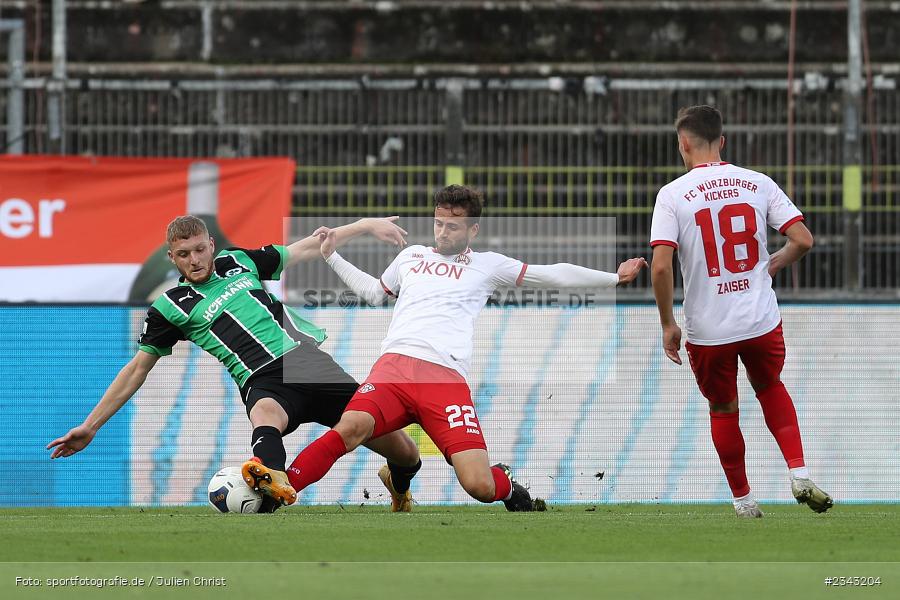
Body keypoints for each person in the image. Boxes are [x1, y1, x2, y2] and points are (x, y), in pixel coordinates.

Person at [243, 184, 647, 511]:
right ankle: (281, 487)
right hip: (394, 370)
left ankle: (506, 487)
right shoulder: (410, 256)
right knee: (349, 429)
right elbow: (373, 293)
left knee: (478, 485)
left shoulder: (489, 265)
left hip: (444, 381)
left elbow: (551, 274)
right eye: (438, 223)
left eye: (453, 226)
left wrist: (612, 278)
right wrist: (332, 257)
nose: (443, 232)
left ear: (472, 229)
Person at [47, 215, 422, 513]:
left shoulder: (237, 261)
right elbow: (137, 369)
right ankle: (269, 488)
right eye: (183, 254)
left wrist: (364, 226)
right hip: (260, 378)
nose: (194, 260)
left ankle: (398, 486)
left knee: (407, 454)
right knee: (266, 417)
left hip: (307, 361)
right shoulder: (169, 306)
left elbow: (306, 247)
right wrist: (90, 426)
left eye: (198, 250)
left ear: (211, 245)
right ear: (171, 258)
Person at [649, 105, 833, 518]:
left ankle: (745, 502)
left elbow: (661, 266)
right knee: (770, 387)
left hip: (708, 327)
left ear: (683, 144)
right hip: (759, 319)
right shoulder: (757, 182)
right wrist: (774, 264)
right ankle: (799, 472)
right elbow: (802, 239)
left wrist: (667, 324)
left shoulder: (673, 195)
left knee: (724, 408)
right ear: (722, 142)